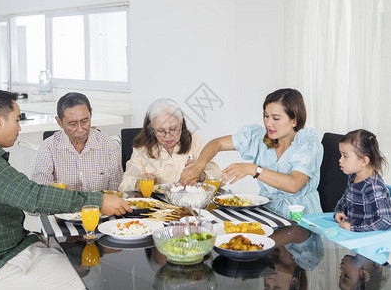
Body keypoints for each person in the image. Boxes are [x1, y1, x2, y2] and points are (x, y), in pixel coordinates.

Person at [0, 90, 131, 290]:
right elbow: (34, 196)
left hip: (12, 251)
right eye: (16, 120)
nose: (19, 128)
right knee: (82, 284)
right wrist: (99, 201)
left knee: (78, 259)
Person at [181, 88, 323, 217]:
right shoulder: (259, 137)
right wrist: (199, 165)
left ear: (294, 120)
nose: (268, 123)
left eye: (276, 118)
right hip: (269, 212)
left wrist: (253, 169)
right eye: (266, 116)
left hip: (301, 218)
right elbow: (216, 143)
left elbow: (294, 185)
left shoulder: (307, 143)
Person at [118, 98, 220, 191]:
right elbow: (124, 185)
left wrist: (201, 174)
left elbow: (219, 177)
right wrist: (139, 184)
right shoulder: (142, 148)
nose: (168, 136)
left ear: (181, 124)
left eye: (173, 129)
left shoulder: (195, 141)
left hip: (190, 205)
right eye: (161, 131)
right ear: (152, 129)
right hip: (157, 207)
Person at [32, 92, 123, 191]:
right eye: (72, 124)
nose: (80, 129)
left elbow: (116, 190)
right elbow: (40, 190)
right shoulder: (48, 147)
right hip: (64, 206)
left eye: (84, 121)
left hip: (101, 206)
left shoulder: (108, 145)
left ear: (91, 114)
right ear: (59, 122)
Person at [334, 129, 391, 232]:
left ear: (364, 161)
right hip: (352, 234)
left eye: (345, 156)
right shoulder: (353, 177)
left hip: (367, 239)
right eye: (341, 155)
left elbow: (385, 221)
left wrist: (353, 227)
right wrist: (340, 211)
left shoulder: (373, 187)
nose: (340, 160)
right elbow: (345, 199)